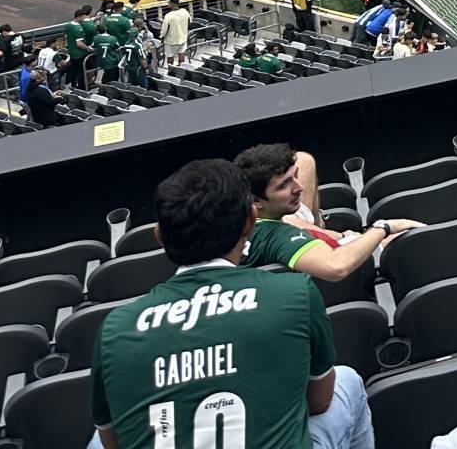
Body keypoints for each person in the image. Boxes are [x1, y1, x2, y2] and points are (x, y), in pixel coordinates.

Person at [89, 157, 374, 449]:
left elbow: (113, 442)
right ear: (250, 221)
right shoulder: (295, 292)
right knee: (347, 380)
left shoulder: (114, 328)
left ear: (160, 236)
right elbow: (319, 401)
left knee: (96, 441)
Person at [234, 142, 420, 282]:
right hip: (305, 245)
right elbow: (335, 266)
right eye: (284, 185)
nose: (298, 187)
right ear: (256, 200)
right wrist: (383, 228)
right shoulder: (279, 236)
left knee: (304, 160)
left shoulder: (234, 210)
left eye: (295, 176)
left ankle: (318, 225)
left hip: (284, 222)